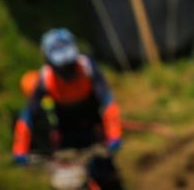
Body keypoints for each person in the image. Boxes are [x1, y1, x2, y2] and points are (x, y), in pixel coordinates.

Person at [12, 29, 123, 189]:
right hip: (66, 140)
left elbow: (107, 102)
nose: (67, 70)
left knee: (108, 178)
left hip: (95, 133)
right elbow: (28, 115)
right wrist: (20, 149)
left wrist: (114, 135)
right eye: (62, 67)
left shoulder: (88, 68)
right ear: (49, 62)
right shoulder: (45, 79)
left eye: (70, 64)